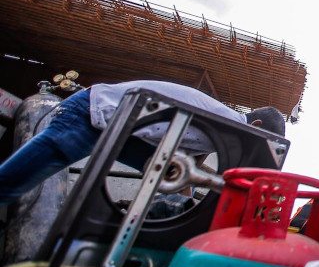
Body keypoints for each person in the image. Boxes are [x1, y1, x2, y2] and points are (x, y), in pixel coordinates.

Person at [0, 80, 286, 204]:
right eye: (263, 141)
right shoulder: (229, 122)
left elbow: (178, 176)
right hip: (91, 115)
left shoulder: (212, 134)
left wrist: (179, 210)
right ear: (255, 126)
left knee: (160, 171)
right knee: (11, 183)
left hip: (117, 129)